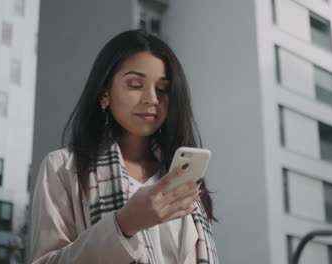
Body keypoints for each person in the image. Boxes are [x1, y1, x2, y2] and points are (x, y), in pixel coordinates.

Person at [30, 29, 218, 264]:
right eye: (135, 84)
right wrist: (124, 224)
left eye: (162, 89)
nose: (152, 99)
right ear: (104, 92)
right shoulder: (62, 168)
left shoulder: (181, 178)